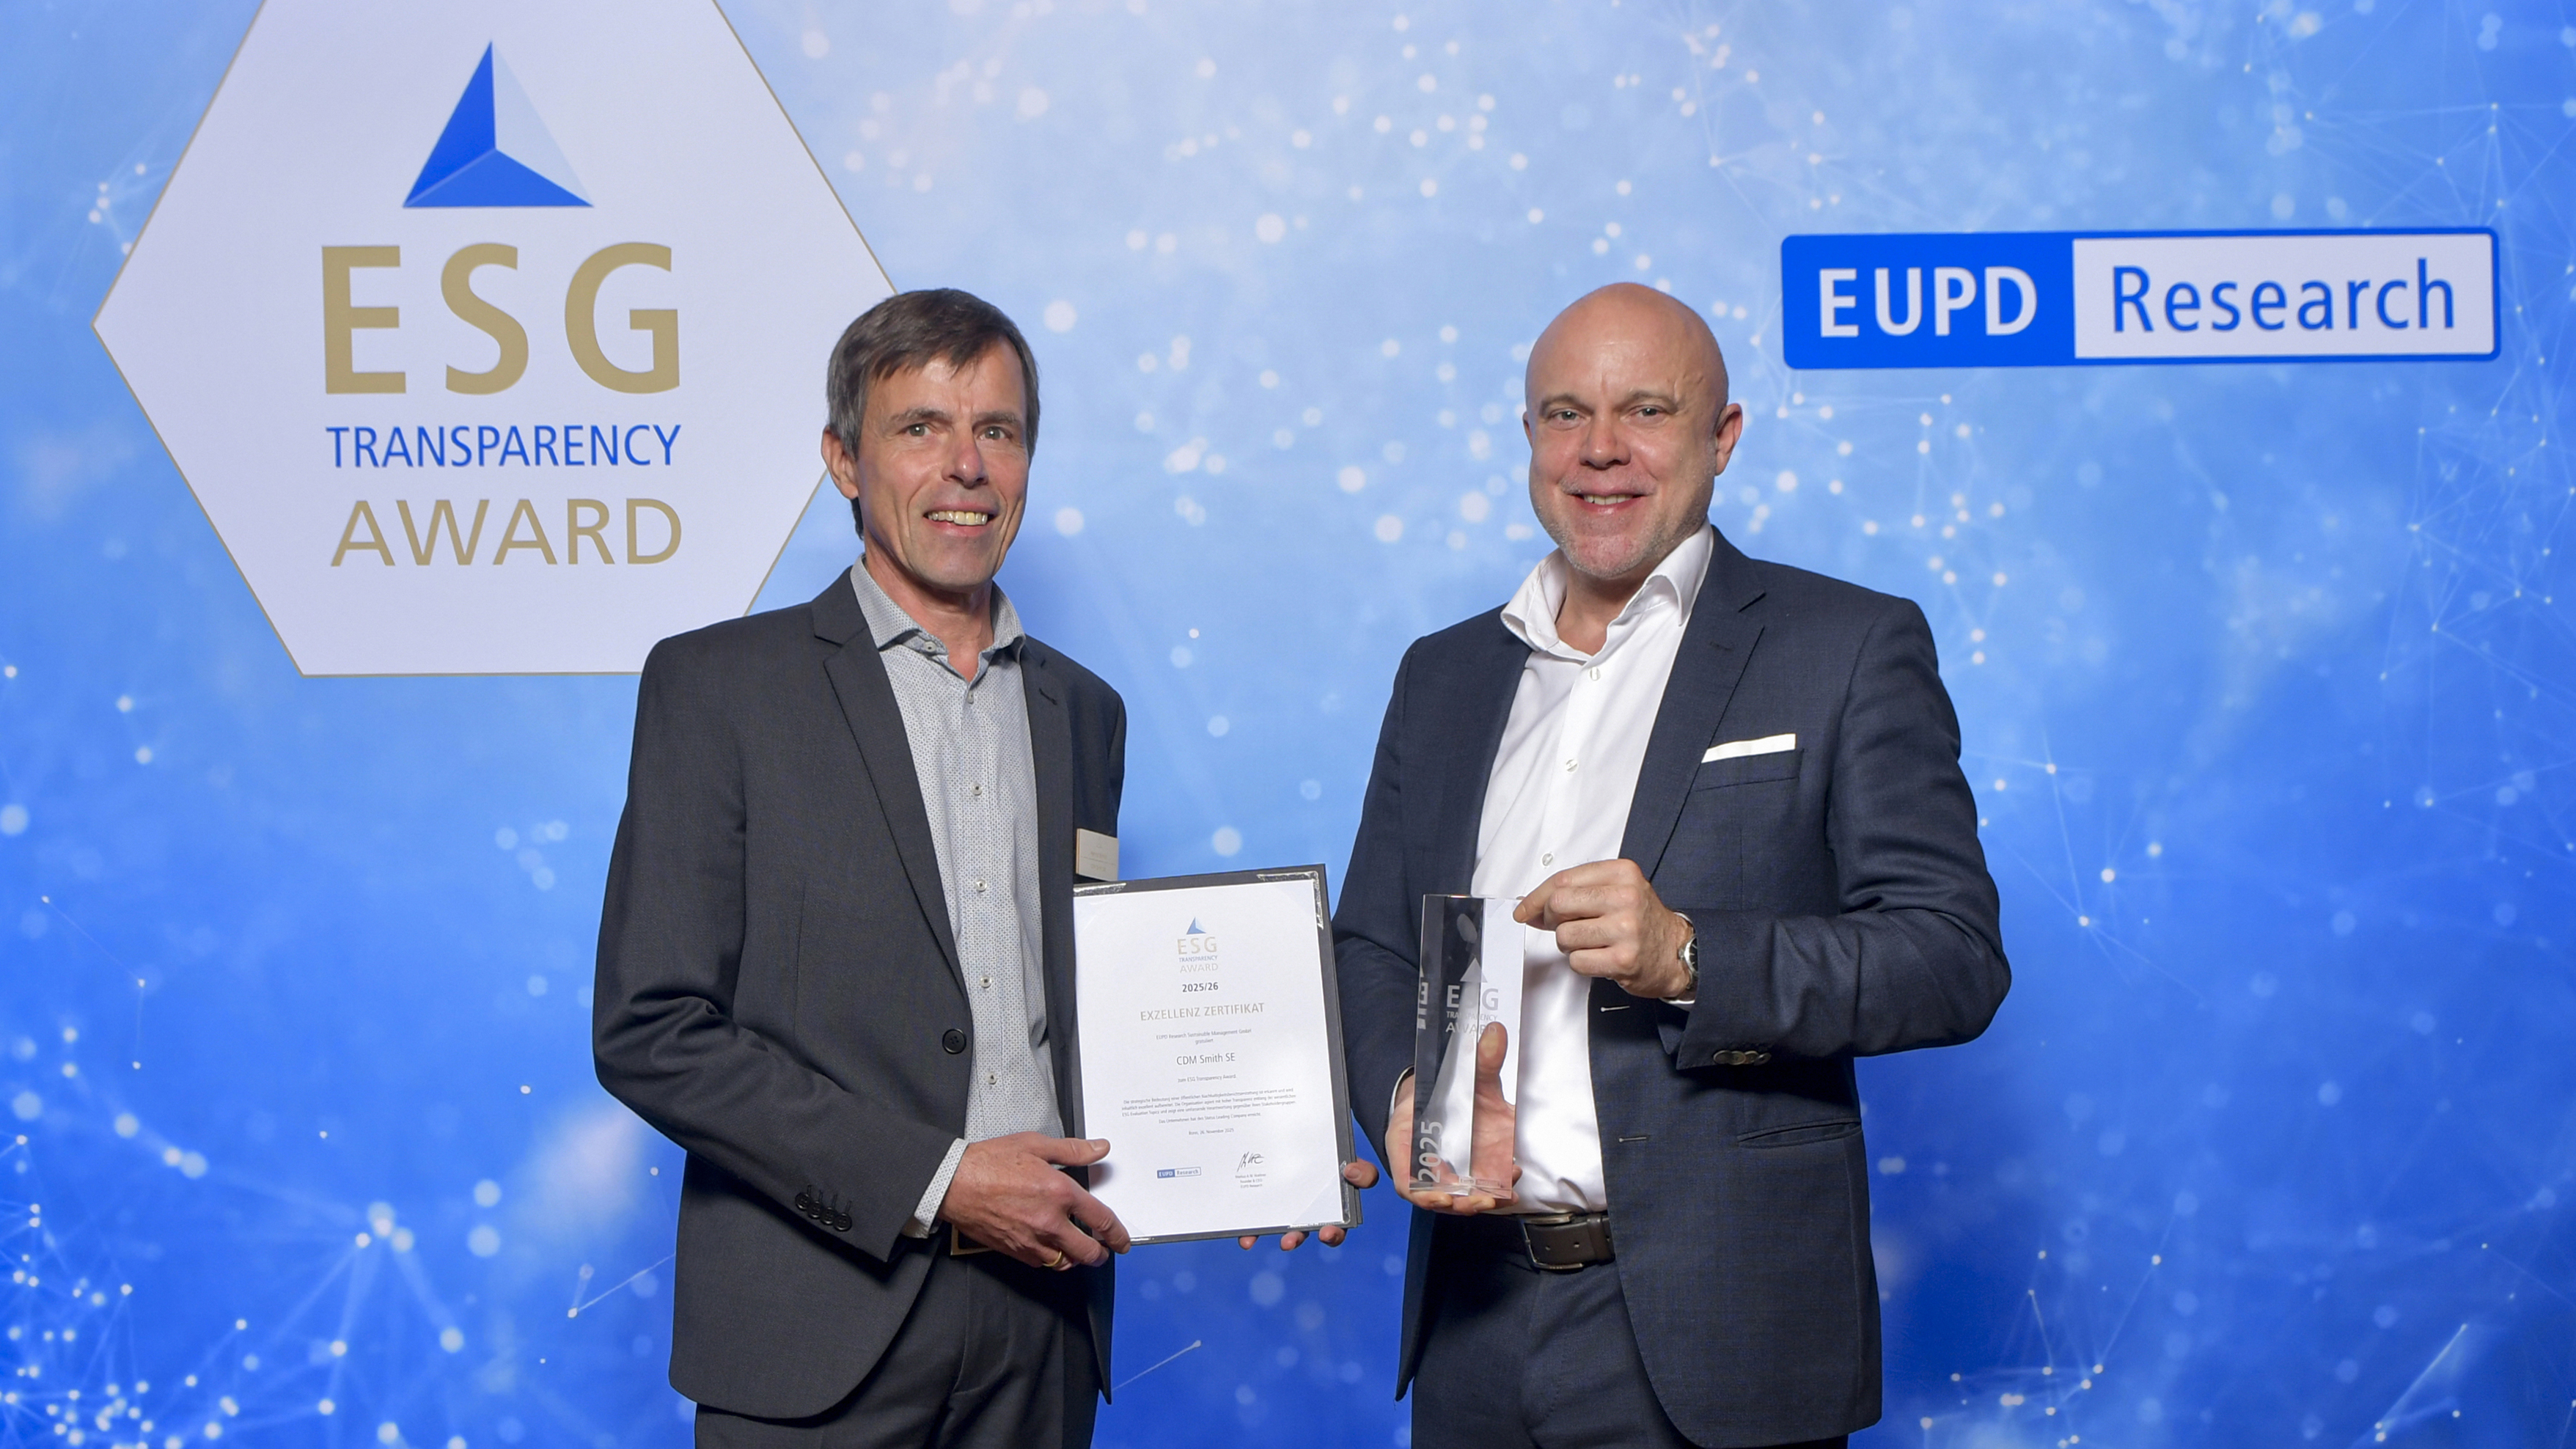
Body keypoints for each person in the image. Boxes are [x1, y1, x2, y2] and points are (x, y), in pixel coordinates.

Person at [1328, 282, 2011, 1448]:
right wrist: (1400, 1099)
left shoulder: (1843, 646)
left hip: (1725, 1338)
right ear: (1528, 440)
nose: (1600, 451)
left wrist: (1687, 954)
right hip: (1472, 1325)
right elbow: (1373, 945)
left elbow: (1949, 958)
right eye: (1563, 415)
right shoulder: (1440, 677)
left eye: (1645, 410)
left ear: (1722, 437)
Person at [594, 288, 1131, 1448]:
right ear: (844, 460)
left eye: (997, 429)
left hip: (1042, 1326)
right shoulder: (721, 690)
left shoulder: (1083, 712)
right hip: (817, 1327)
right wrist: (935, 1179)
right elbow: (652, 1030)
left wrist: (1255, 1149)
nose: (966, 466)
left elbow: (1098, 1012)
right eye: (920, 428)